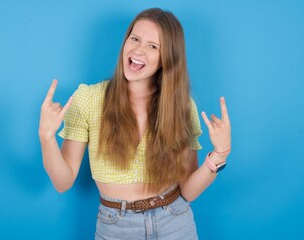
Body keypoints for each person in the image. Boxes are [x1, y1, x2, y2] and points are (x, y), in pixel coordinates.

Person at [39, 8, 231, 240]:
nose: (139, 50)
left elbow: (188, 191)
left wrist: (219, 155)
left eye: (153, 46)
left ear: (167, 58)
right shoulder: (88, 100)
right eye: (135, 39)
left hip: (176, 222)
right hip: (116, 227)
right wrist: (46, 136)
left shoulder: (181, 106)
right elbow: (63, 182)